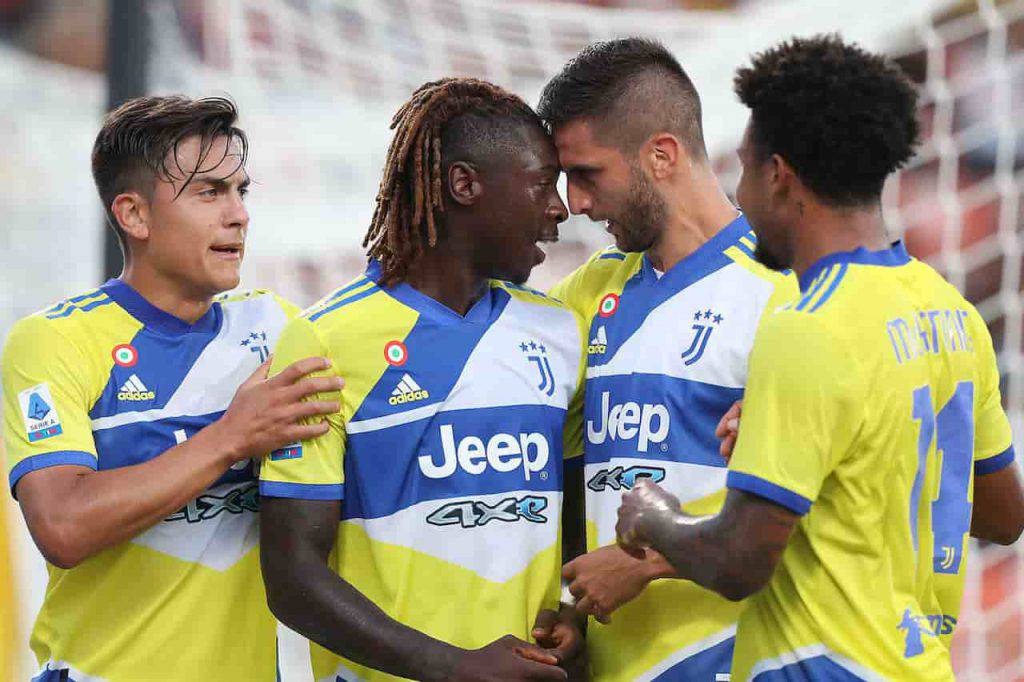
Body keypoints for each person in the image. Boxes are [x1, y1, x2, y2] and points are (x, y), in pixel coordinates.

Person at [615, 34, 1024, 680]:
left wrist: (652, 517)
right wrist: (840, 453)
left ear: (779, 175)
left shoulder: (806, 324)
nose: (740, 197)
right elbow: (1004, 516)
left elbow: (735, 563)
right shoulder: (950, 311)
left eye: (745, 170)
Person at [1, 95, 339, 681]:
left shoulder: (276, 327)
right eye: (209, 192)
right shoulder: (53, 341)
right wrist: (231, 437)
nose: (238, 214)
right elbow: (63, 526)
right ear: (134, 215)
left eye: (241, 191)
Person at [258, 77, 585, 682]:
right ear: (464, 185)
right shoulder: (325, 338)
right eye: (542, 184)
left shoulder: (558, 330)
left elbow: (576, 516)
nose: (561, 208)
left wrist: (574, 616)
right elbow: (292, 576)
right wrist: (453, 668)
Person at [537, 37, 796, 680]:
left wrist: (649, 562)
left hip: (738, 659)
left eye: (588, 174)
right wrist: (571, 607)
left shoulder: (786, 295)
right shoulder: (586, 292)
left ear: (661, 155)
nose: (575, 203)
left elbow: (837, 508)